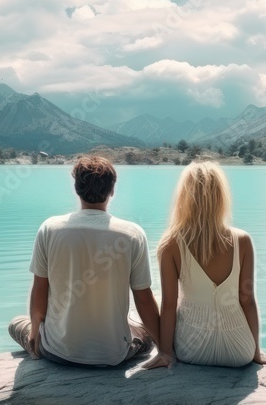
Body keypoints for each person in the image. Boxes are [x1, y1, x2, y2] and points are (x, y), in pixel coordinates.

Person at [9, 155, 162, 367]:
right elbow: (143, 299)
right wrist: (164, 349)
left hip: (57, 351)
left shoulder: (50, 229)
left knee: (16, 323)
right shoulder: (132, 234)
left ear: (76, 189)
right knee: (146, 322)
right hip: (113, 354)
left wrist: (36, 334)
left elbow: (40, 290)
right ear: (112, 190)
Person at [144, 161, 266, 369]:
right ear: (220, 198)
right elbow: (248, 300)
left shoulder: (170, 244)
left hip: (191, 349)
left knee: (163, 298)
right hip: (239, 351)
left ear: (184, 198)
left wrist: (166, 353)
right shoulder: (242, 240)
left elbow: (169, 306)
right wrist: (255, 352)